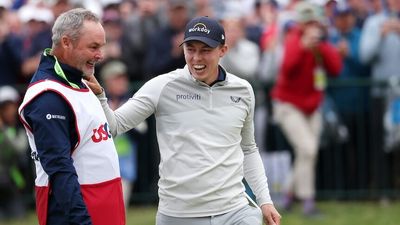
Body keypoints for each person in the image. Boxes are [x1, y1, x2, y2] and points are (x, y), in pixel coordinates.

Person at [86, 16, 281, 225]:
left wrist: (265, 201)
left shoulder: (243, 90)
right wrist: (100, 96)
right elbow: (114, 126)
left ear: (222, 51)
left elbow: (248, 149)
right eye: (190, 49)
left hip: (235, 210)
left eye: (205, 50)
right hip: (178, 215)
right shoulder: (162, 86)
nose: (196, 58)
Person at [18, 8, 125, 225]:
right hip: (77, 213)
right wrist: (82, 221)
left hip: (103, 206)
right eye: (93, 47)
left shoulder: (79, 80)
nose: (100, 55)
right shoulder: (48, 95)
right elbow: (59, 170)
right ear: (66, 42)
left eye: (101, 47)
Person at [270, 1, 342, 217]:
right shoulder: (293, 39)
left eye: (315, 21)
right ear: (300, 22)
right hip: (288, 105)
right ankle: (308, 203)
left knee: (306, 152)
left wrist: (320, 47)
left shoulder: (321, 43)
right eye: (308, 21)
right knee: (309, 149)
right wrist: (303, 47)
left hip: (312, 107)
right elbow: (287, 69)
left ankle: (287, 197)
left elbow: (336, 68)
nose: (312, 25)